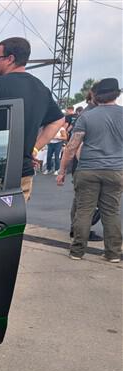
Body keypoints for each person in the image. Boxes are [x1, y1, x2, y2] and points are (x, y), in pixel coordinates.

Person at [0, 37, 64, 202]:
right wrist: (35, 148)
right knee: (13, 223)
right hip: (23, 171)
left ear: (10, 59)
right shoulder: (41, 88)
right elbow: (58, 121)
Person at [57, 77, 123, 263]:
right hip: (115, 170)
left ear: (97, 95)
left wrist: (62, 171)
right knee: (111, 211)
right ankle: (113, 253)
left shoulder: (86, 116)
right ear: (116, 94)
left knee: (84, 211)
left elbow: (72, 146)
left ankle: (77, 251)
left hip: (87, 169)